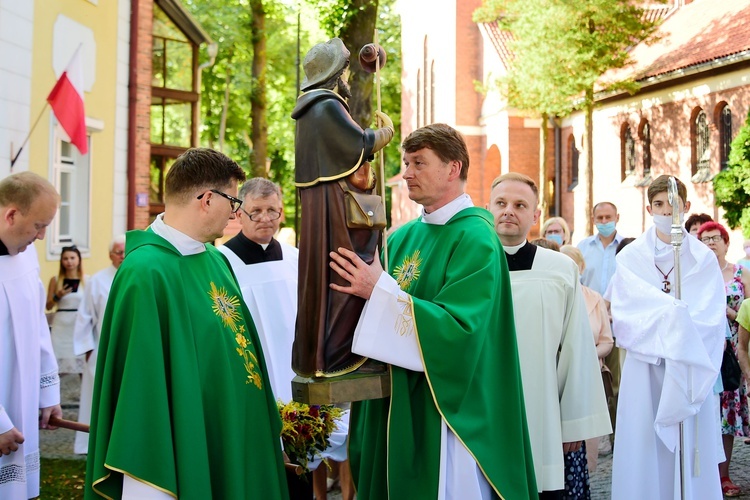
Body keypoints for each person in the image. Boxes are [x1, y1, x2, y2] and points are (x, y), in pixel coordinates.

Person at [328, 124, 536, 498]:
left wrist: (379, 290)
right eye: (406, 162)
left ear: (453, 169)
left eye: (418, 163)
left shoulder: (477, 238)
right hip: (395, 402)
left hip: (446, 412)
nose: (406, 172)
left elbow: (459, 331)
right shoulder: (402, 236)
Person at [85, 148, 288, 499]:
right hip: (187, 445)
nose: (236, 211)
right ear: (208, 199)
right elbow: (142, 394)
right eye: (233, 201)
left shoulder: (214, 259)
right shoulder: (145, 273)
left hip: (234, 435)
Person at [219, 178, 354, 500]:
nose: (266, 218)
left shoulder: (298, 259)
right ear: (239, 213)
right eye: (256, 211)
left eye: (272, 211)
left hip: (298, 375)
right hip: (253, 375)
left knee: (300, 469)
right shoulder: (223, 263)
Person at [490, 172, 611, 498]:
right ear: (488, 208)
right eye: (501, 203)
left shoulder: (559, 269)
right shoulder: (469, 266)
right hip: (484, 411)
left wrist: (573, 421)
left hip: (543, 412)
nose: (508, 211)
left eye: (519, 205)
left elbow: (577, 348)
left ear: (535, 214)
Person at [607, 175, 725, 499]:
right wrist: (673, 318)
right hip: (646, 367)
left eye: (672, 204)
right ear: (649, 208)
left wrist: (678, 329)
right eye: (659, 204)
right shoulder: (629, 259)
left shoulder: (702, 259)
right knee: (645, 446)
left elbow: (712, 318)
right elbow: (627, 313)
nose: (666, 210)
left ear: (685, 207)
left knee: (686, 448)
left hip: (686, 369)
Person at [291, 37, 395, 378]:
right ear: (335, 75)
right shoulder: (327, 106)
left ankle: (320, 356)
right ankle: (340, 353)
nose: (348, 80)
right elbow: (359, 144)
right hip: (337, 210)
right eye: (346, 72)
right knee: (349, 267)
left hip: (322, 206)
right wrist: (385, 133)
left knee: (326, 275)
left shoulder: (307, 111)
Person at [0, 171, 62, 499]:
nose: (41, 237)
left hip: (20, 410)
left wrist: (47, 392)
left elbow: (37, 324)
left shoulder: (26, 255)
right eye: (39, 225)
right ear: (11, 214)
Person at [696, 221, 750, 497]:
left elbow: (749, 311)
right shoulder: (696, 275)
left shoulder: (741, 273)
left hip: (733, 351)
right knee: (705, 413)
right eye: (704, 239)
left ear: (727, 242)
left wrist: (729, 313)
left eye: (716, 238)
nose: (711, 243)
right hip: (705, 351)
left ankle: (724, 475)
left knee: (727, 416)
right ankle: (702, 474)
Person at [560, 244, 615, 475]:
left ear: (581, 267)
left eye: (573, 263)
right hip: (560, 376)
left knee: (585, 445)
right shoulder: (555, 294)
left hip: (589, 374)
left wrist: (584, 355)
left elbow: (607, 341)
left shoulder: (595, 299)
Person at [71, 235, 125, 455]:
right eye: (119, 252)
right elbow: (84, 318)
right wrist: (88, 349)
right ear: (110, 254)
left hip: (128, 350)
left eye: (126, 252)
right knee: (96, 398)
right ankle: (89, 443)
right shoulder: (97, 280)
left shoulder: (136, 276)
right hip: (101, 350)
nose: (123, 256)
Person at [46, 245, 86, 375]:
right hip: (61, 323)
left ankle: (84, 395)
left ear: (79, 260)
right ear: (61, 261)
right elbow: (48, 306)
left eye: (72, 258)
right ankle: (55, 394)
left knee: (81, 361)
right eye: (65, 258)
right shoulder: (56, 280)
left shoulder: (87, 280)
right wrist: (58, 295)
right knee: (57, 361)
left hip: (79, 324)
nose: (69, 261)